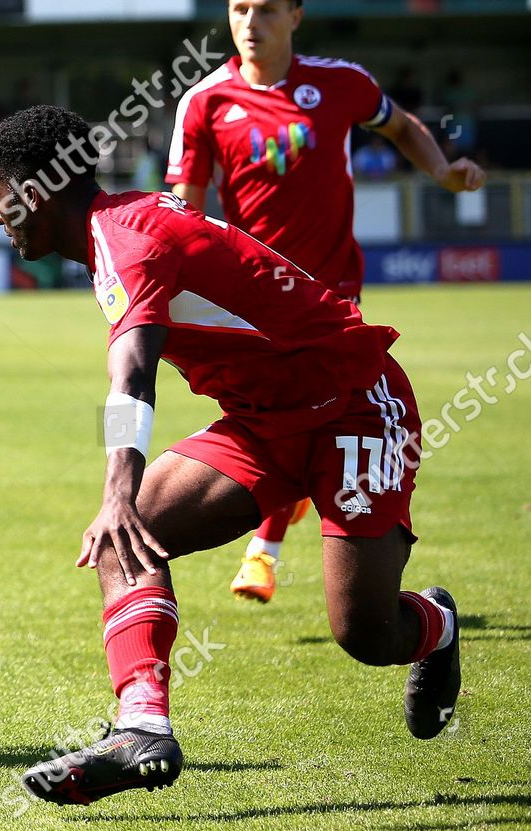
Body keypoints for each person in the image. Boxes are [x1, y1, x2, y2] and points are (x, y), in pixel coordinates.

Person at [0, 105, 462, 805]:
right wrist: (123, 501)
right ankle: (141, 727)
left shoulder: (125, 238)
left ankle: (437, 625)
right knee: (130, 535)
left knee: (364, 630)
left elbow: (132, 372)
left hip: (355, 400)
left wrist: (116, 487)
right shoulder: (116, 227)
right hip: (264, 422)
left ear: (34, 194)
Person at [166, 0, 485, 602]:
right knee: (286, 413)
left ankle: (266, 549)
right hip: (257, 298)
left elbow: (401, 126)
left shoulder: (341, 83)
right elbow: (186, 208)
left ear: (295, 15)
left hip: (334, 292)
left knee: (315, 409)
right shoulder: (205, 102)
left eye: (264, 10)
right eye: (238, 9)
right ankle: (279, 532)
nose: (250, 23)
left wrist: (442, 173)